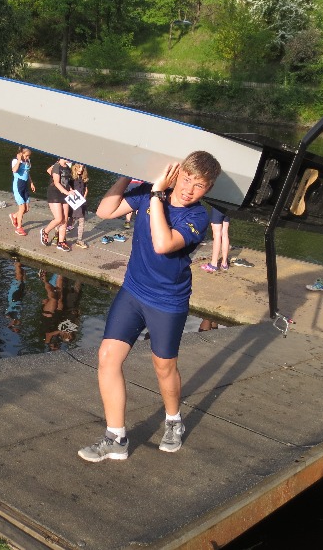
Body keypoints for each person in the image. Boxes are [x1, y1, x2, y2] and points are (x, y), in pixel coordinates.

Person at [77, 151, 221, 462]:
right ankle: (116, 438)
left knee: (163, 367)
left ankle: (174, 421)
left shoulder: (197, 217)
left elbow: (163, 244)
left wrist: (156, 194)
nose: (189, 189)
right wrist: (126, 173)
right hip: (133, 291)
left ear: (208, 189)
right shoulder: (148, 193)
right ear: (177, 174)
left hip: (167, 301)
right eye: (186, 179)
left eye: (199, 185)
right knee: (107, 357)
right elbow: (105, 211)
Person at [41, 158, 73, 252]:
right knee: (59, 218)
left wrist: (70, 190)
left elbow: (66, 181)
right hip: (55, 193)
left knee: (65, 220)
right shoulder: (56, 166)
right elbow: (56, 182)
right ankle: (45, 231)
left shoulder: (67, 167)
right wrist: (67, 192)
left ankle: (61, 242)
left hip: (65, 193)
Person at [9, 147, 34, 236]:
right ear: (21, 154)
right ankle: (19, 228)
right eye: (26, 156)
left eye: (29, 156)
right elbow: (14, 170)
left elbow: (27, 172)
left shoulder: (27, 161)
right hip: (18, 186)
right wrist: (19, 160)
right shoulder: (16, 161)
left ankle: (14, 216)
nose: (27, 157)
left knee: (26, 209)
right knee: (22, 208)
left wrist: (31, 183)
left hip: (25, 187)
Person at [67, 163, 90, 249]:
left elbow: (86, 189)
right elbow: (68, 188)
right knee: (69, 220)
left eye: (82, 167)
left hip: (81, 202)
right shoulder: (71, 178)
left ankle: (79, 239)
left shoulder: (84, 178)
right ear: (75, 167)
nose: (81, 169)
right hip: (73, 202)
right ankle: (58, 234)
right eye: (79, 167)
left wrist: (84, 198)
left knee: (81, 221)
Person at [201, 207, 230, 273]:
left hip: (217, 207)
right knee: (225, 233)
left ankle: (213, 264)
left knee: (217, 235)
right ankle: (224, 263)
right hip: (228, 207)